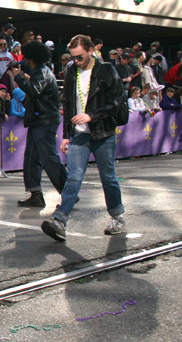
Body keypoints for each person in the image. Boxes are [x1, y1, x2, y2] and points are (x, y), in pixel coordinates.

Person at [41, 35, 126, 242]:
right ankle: (59, 220)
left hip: (103, 132)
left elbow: (117, 100)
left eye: (79, 57)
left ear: (90, 51)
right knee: (74, 176)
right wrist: (66, 135)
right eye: (73, 58)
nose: (76, 61)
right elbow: (68, 104)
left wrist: (92, 115)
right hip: (80, 133)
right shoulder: (72, 71)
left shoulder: (106, 70)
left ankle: (117, 216)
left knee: (108, 176)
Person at [10, 40, 67, 208]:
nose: (24, 59)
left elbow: (34, 90)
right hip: (40, 119)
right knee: (31, 158)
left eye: (26, 56)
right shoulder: (41, 71)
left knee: (48, 157)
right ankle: (35, 193)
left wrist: (18, 77)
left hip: (44, 120)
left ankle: (68, 193)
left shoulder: (42, 72)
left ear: (31, 57)